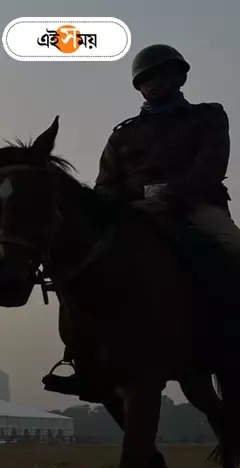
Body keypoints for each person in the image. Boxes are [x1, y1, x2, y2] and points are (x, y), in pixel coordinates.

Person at [43, 43, 235, 400]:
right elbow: (105, 184)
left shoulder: (208, 117)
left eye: (162, 75)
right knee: (83, 265)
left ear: (180, 77)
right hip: (133, 212)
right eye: (146, 79)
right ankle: (81, 359)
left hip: (195, 207)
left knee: (233, 247)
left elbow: (211, 167)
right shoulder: (123, 134)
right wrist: (124, 206)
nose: (154, 83)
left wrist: (169, 197)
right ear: (139, 86)